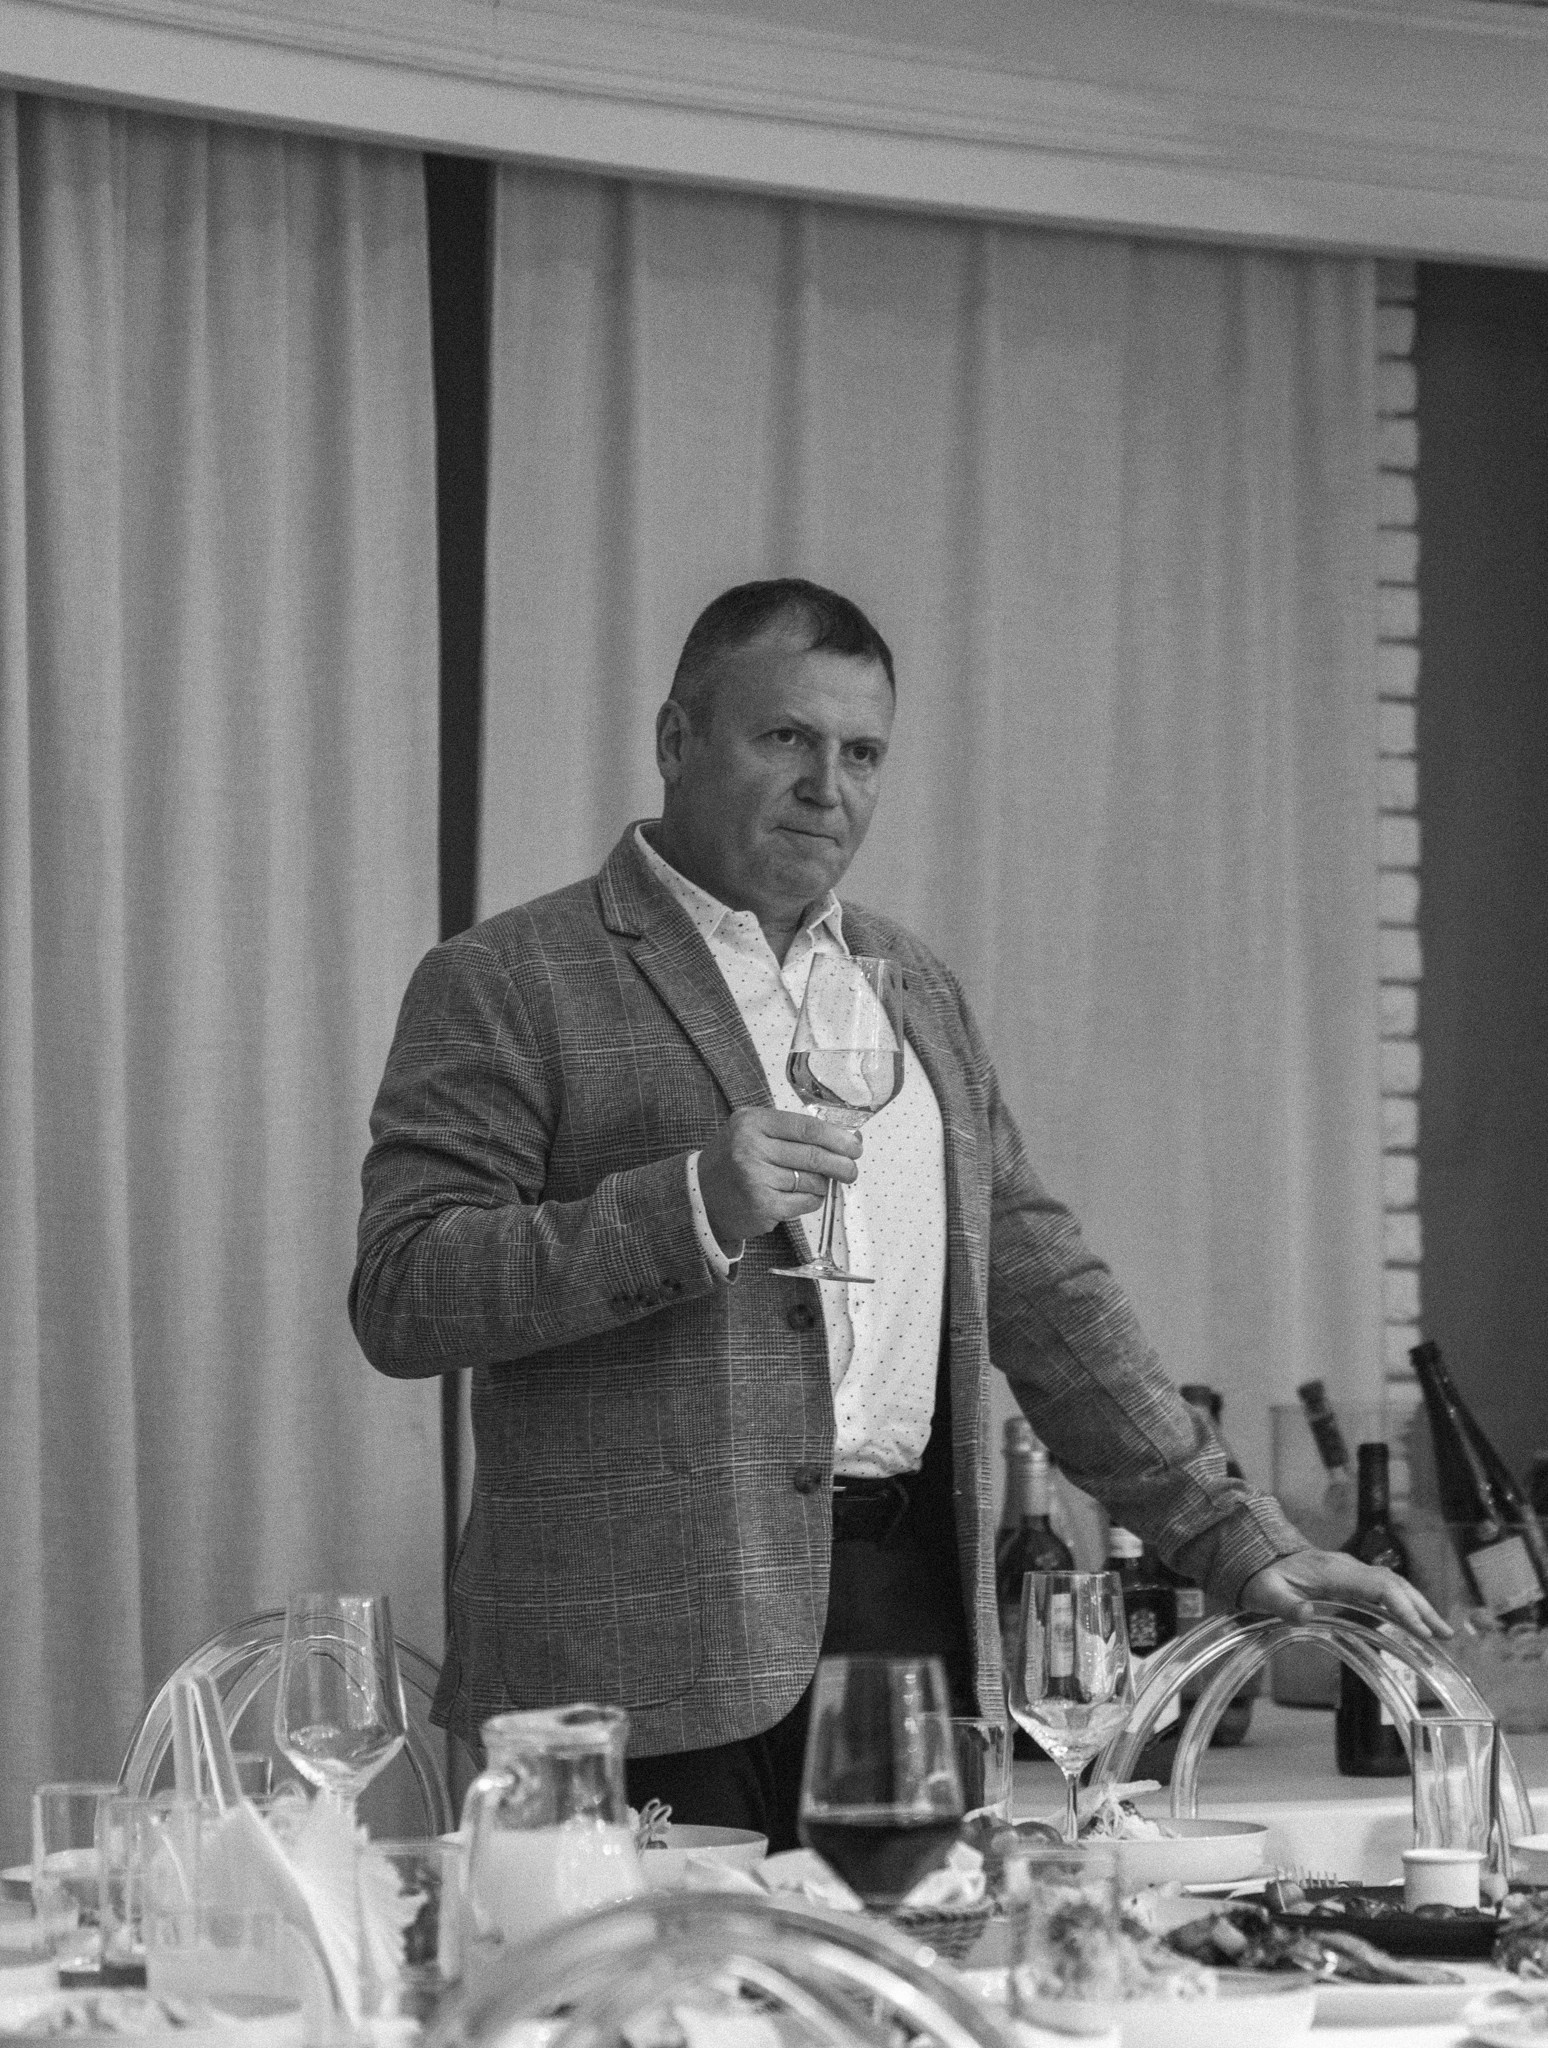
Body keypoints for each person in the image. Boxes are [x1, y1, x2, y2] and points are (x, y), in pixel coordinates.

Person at [350, 577, 1444, 1848]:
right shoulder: (506, 978)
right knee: (669, 1976)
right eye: (786, 737)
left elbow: (1042, 1286)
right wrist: (690, 1203)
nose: (829, 786)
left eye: (862, 752)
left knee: (912, 1967)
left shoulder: (911, 983)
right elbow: (404, 1289)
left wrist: (1234, 1536)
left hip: (905, 1623)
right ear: (675, 740)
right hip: (630, 1659)